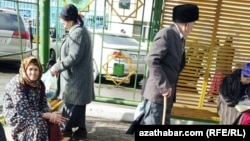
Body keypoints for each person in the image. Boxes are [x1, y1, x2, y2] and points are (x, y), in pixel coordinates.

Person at [139, 4, 199, 125]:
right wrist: (164, 85)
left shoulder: (180, 38)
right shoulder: (166, 34)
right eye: (193, 24)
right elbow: (152, 60)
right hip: (157, 94)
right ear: (186, 24)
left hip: (167, 96)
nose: (193, 27)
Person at [50, 4, 95, 140]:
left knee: (70, 107)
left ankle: (65, 132)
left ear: (69, 19)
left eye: (62, 20)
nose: (61, 23)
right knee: (77, 107)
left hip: (76, 81)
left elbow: (73, 57)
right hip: (76, 80)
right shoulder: (77, 31)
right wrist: (59, 64)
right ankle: (80, 131)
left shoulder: (78, 33)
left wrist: (56, 67)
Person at [3, 56, 68, 140]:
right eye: (30, 69)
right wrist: (47, 115)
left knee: (55, 122)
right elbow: (23, 111)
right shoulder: (17, 84)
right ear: (25, 70)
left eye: (36, 69)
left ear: (40, 70)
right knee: (38, 125)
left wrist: (51, 116)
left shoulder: (39, 84)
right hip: (17, 115)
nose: (33, 73)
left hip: (34, 112)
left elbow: (43, 104)